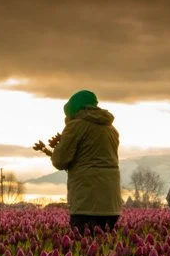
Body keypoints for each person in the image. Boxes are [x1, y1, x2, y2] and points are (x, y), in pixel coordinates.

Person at [50, 90, 122, 233]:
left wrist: (59, 146)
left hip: (86, 201)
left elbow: (60, 161)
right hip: (111, 202)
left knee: (85, 246)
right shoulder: (111, 128)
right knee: (105, 249)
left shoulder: (76, 125)